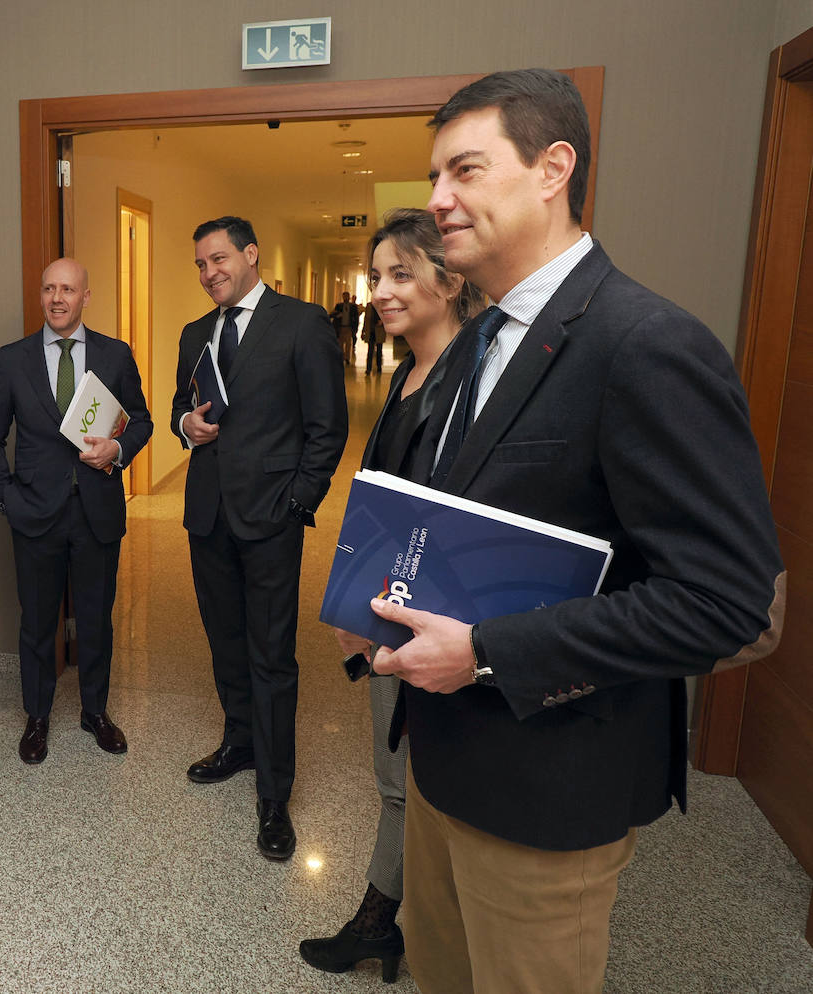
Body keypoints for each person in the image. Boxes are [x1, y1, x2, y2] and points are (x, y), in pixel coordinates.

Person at [368, 69, 785, 993]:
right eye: (435, 175)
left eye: (465, 170)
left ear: (553, 168)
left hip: (546, 789)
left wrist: (481, 651)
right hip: (441, 762)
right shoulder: (477, 339)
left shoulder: (646, 345)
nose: (437, 200)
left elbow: (726, 605)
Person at [300, 208, 483, 982]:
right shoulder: (410, 375)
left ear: (450, 280)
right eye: (376, 276)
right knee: (393, 777)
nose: (379, 290)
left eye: (400, 274)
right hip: (385, 612)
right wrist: (351, 608)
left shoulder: (474, 385)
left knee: (410, 783)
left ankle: (382, 923)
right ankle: (390, 923)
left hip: (433, 626)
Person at [172, 216, 347, 860]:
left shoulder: (300, 325)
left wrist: (298, 503)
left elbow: (328, 427)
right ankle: (239, 742)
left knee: (272, 652)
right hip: (207, 515)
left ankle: (275, 794)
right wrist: (185, 423)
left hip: (271, 518)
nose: (208, 272)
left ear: (251, 255)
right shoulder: (195, 334)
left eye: (218, 259)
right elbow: (175, 407)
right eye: (199, 264)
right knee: (224, 640)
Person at [0, 258, 153, 763]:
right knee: (36, 620)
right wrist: (5, 495)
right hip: (33, 512)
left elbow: (140, 421)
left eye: (68, 289)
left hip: (96, 509)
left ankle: (95, 712)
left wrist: (116, 452)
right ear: (40, 295)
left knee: (97, 618)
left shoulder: (115, 356)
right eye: (49, 288)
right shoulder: (12, 360)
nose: (57, 298)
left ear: (85, 297)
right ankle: (37, 716)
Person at [329, 290, 357, 364]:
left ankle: (347, 358)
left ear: (349, 297)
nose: (345, 298)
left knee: (348, 344)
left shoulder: (353, 307)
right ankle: (341, 357)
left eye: (347, 296)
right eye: (344, 296)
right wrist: (337, 315)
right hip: (340, 327)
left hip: (349, 327)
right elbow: (332, 315)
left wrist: (355, 329)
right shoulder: (339, 306)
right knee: (340, 344)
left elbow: (356, 318)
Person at [362, 300, 387, 375]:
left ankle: (379, 367)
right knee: (370, 351)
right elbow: (366, 318)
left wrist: (382, 321)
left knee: (379, 350)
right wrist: (363, 330)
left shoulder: (383, 305)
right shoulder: (369, 306)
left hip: (379, 331)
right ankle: (368, 369)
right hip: (371, 331)